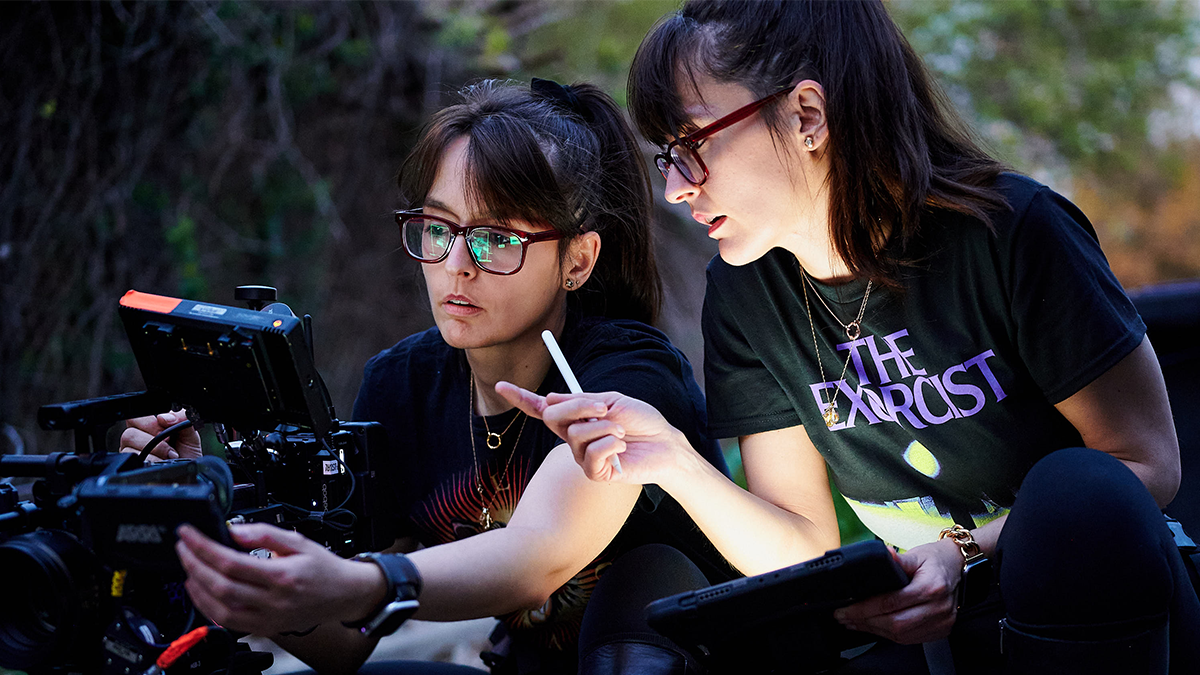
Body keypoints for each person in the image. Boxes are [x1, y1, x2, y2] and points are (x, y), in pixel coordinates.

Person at [499, 2, 1200, 673]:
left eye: (693, 145)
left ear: (806, 114)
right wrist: (675, 461)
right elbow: (801, 544)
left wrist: (961, 552)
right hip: (933, 634)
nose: (677, 188)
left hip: (1097, 615)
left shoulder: (1012, 231)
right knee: (660, 593)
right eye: (666, 158)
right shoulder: (745, 291)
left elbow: (1145, 464)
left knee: (1075, 489)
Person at [120, 79, 732, 675]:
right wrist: (207, 517)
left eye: (495, 238)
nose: (457, 266)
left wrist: (362, 584)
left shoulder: (630, 377)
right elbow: (346, 644)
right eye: (439, 229)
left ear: (577, 259)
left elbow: (535, 558)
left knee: (646, 585)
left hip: (677, 659)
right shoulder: (402, 388)